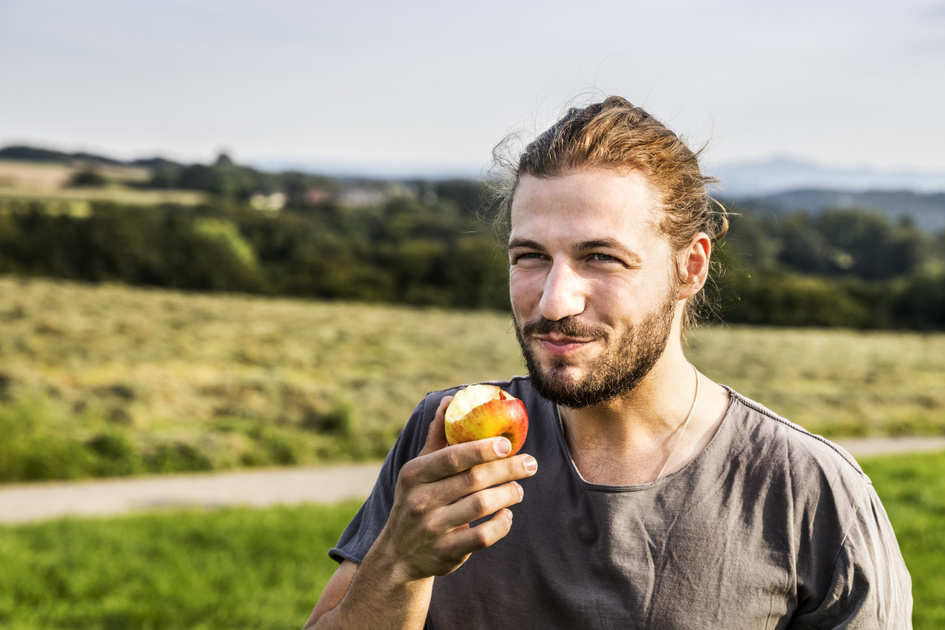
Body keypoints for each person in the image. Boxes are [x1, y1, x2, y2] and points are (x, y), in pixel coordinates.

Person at [305, 96, 912, 629]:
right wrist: (400, 565)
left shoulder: (811, 493)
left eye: (601, 257)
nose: (553, 301)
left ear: (690, 267)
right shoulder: (442, 442)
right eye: (530, 256)